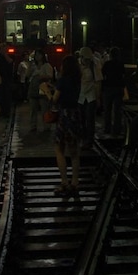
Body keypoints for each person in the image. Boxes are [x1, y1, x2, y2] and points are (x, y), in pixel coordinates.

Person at [45, 54, 83, 195]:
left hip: (64, 116)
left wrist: (47, 92)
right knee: (74, 151)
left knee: (59, 149)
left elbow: (55, 100)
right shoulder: (76, 80)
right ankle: (75, 182)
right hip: (75, 115)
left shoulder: (62, 80)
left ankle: (64, 182)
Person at [99, 47, 127, 137]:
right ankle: (117, 129)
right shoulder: (121, 64)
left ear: (110, 55)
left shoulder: (107, 64)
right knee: (117, 110)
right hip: (118, 88)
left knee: (107, 109)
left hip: (108, 88)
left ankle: (107, 128)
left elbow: (102, 75)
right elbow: (123, 76)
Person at [26, 49, 54, 134]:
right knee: (33, 109)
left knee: (44, 108)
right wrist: (30, 68)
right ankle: (33, 126)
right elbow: (27, 75)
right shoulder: (33, 65)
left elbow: (50, 76)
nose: (37, 57)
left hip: (43, 89)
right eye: (36, 55)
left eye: (39, 55)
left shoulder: (47, 65)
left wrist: (42, 77)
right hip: (33, 88)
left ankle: (46, 126)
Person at [78, 47, 101, 148]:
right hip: (80, 96)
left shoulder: (94, 66)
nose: (87, 61)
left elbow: (98, 82)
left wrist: (98, 97)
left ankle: (89, 140)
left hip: (91, 96)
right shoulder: (77, 66)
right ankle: (83, 138)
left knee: (90, 119)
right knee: (81, 119)